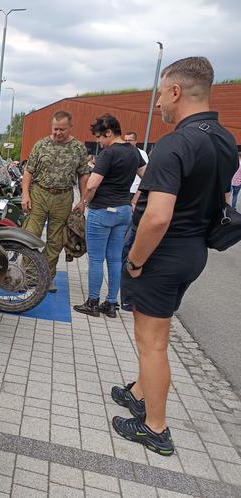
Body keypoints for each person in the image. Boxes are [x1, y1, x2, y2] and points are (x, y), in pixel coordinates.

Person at [114, 56, 238, 456]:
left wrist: (135, 260)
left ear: (175, 91)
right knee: (158, 332)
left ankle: (155, 427)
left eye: (160, 95)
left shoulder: (176, 143)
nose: (157, 106)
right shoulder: (224, 140)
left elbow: (157, 216)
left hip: (161, 256)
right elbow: (219, 200)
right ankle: (138, 391)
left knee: (152, 342)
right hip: (193, 252)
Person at [73, 114, 145, 318]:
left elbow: (93, 183)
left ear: (109, 133)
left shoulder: (108, 154)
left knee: (96, 259)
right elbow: (147, 178)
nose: (98, 142)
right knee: (114, 259)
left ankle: (93, 302)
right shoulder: (134, 152)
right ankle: (111, 303)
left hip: (102, 211)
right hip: (123, 211)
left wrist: (84, 201)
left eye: (99, 137)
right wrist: (134, 201)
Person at [21, 110, 90, 292]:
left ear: (70, 127)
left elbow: (83, 176)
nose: (58, 133)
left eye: (62, 129)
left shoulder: (78, 148)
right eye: (55, 129)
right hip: (39, 194)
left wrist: (83, 201)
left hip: (63, 197)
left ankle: (46, 276)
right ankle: (27, 275)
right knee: (30, 235)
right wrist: (25, 194)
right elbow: (28, 172)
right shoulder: (41, 145)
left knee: (56, 241)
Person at [124, 131, 150, 210]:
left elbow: (145, 173)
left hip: (134, 190)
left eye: (130, 140)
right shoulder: (122, 153)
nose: (127, 142)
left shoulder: (141, 153)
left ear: (135, 141)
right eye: (125, 140)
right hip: (123, 190)